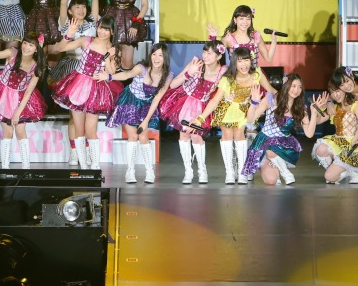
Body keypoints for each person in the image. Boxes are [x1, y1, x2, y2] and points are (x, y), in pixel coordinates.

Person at [193, 46, 279, 185]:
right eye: (240, 61)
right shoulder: (228, 79)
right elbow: (215, 100)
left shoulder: (257, 74)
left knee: (240, 134)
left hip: (245, 109)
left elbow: (271, 90)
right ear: (235, 62)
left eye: (246, 60)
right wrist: (200, 118)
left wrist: (286, 99)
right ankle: (230, 172)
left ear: (250, 61)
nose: (244, 64)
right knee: (227, 135)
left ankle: (242, 172)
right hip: (227, 109)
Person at [50, 16, 123, 170]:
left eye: (107, 29)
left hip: (96, 90)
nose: (102, 32)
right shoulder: (86, 40)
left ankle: (95, 165)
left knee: (90, 130)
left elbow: (111, 73)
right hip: (78, 85)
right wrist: (69, 34)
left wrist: (108, 56)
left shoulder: (114, 49)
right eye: (101, 28)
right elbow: (60, 49)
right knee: (79, 130)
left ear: (112, 32)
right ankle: (83, 166)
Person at [0, 28, 48, 169]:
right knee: (8, 131)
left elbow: (29, 91)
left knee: (20, 131)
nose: (26, 47)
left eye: (31, 45)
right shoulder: (12, 52)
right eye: (25, 43)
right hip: (2, 93)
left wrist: (18, 113)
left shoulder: (36, 66)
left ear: (36, 49)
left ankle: (26, 168)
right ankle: (5, 168)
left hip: (21, 98)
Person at [159, 41, 228, 185]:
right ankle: (188, 171)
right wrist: (189, 73)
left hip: (203, 106)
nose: (205, 56)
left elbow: (223, 92)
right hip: (185, 101)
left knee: (196, 136)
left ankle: (202, 170)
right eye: (204, 52)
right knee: (184, 134)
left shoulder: (222, 71)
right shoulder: (196, 63)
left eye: (209, 53)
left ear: (219, 56)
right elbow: (173, 84)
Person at [105, 42, 172, 184]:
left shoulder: (167, 75)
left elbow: (157, 99)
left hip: (146, 105)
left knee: (143, 137)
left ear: (165, 57)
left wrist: (146, 121)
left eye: (160, 55)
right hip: (130, 101)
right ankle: (130, 171)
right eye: (154, 54)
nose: (156, 58)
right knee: (133, 136)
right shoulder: (141, 68)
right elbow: (126, 75)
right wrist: (109, 77)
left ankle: (149, 171)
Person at [240, 73, 324, 186]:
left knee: (272, 148)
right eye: (293, 86)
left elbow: (309, 134)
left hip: (283, 145)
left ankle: (284, 171)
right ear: (286, 85)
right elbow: (250, 119)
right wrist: (254, 103)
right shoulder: (271, 99)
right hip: (263, 144)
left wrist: (313, 113)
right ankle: (279, 168)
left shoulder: (300, 107)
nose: (296, 90)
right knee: (271, 181)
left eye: (299, 87)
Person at [311, 71, 358, 184]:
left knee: (329, 177)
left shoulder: (355, 105)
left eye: (337, 91)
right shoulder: (334, 108)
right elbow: (318, 121)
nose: (336, 95)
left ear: (344, 90)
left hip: (352, 145)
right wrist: (317, 109)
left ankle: (350, 170)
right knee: (320, 149)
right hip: (338, 142)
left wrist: (354, 140)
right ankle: (346, 170)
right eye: (332, 92)